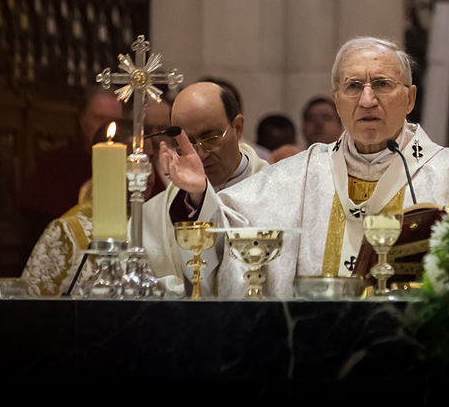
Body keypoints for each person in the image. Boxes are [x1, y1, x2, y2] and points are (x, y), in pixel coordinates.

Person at [144, 36, 449, 298]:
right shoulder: (297, 176)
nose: (368, 99)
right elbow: (228, 241)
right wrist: (198, 194)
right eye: (353, 86)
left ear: (410, 98)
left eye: (381, 84)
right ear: (336, 99)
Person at [141, 81, 268, 295]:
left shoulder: (276, 189)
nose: (199, 154)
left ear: (237, 127)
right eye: (186, 142)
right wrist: (196, 197)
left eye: (210, 138)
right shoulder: (155, 212)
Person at [21, 119, 146, 296]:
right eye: (132, 162)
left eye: (150, 160)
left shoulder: (157, 222)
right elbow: (34, 298)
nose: (144, 172)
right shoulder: (68, 230)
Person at [16, 86, 123, 262]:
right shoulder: (56, 164)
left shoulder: (131, 167)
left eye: (114, 121)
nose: (106, 129)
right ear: (82, 120)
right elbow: (36, 229)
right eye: (99, 119)